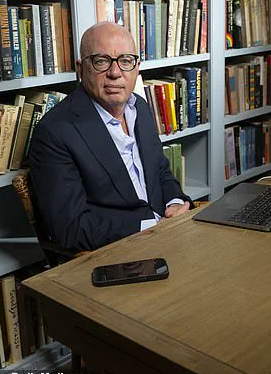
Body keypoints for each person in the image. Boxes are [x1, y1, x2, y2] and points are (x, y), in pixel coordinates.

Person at [29, 22, 192, 252]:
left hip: (169, 234)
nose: (115, 73)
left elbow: (161, 173)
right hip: (116, 252)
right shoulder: (54, 132)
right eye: (101, 61)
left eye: (125, 61)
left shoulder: (140, 108)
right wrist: (152, 226)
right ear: (81, 69)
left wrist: (175, 204)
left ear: (137, 68)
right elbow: (71, 229)